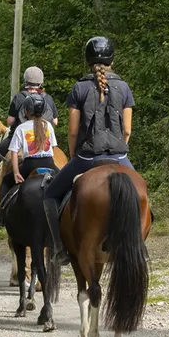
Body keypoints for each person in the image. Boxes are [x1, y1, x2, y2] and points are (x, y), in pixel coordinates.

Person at [41, 36, 134, 262]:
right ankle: (139, 245)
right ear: (112, 58)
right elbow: (128, 130)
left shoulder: (79, 88)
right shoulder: (123, 87)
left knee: (50, 195)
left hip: (87, 157)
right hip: (119, 156)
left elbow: (73, 131)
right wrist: (118, 151)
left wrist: (75, 156)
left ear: (88, 60)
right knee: (141, 193)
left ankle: (59, 249)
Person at [0, 65, 57, 203]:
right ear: (41, 81)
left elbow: (10, 122)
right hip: (48, 154)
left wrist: (16, 172)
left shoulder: (20, 99)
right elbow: (56, 122)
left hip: (24, 150)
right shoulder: (48, 99)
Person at [0, 91, 57, 223]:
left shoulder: (21, 128)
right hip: (49, 163)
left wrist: (17, 172)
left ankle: (0, 214)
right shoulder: (49, 126)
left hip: (30, 165)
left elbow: (13, 152)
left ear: (27, 111)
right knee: (65, 182)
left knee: (6, 181)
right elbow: (53, 148)